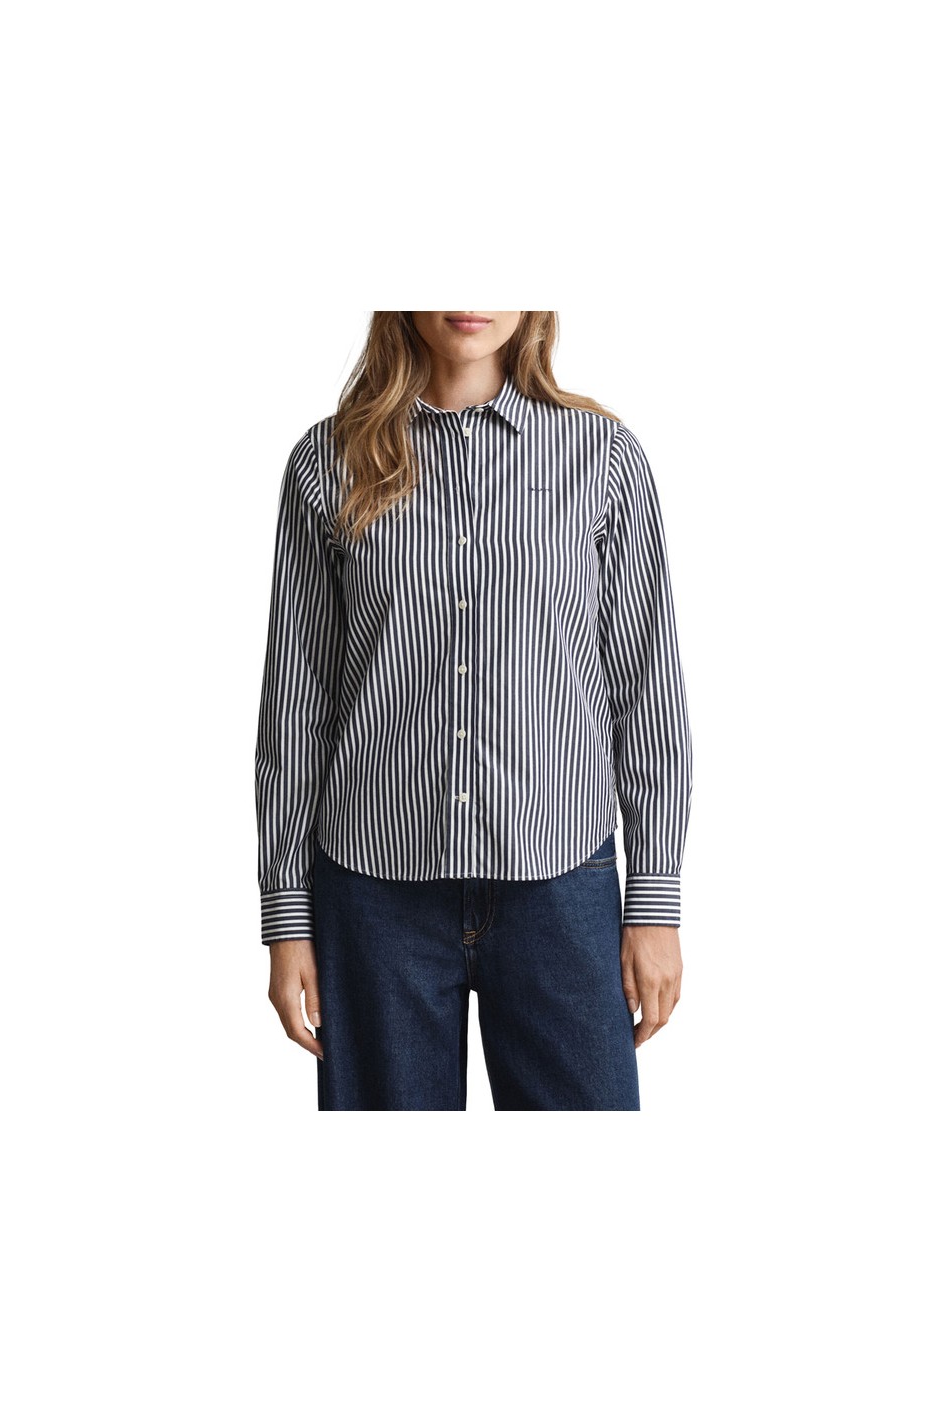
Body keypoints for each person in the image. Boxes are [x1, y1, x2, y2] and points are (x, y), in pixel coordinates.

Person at [255, 311, 692, 1110]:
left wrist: (655, 903)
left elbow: (646, 688)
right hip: (373, 890)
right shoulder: (328, 460)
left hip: (560, 878)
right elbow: (296, 700)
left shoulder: (601, 457)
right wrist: (287, 916)